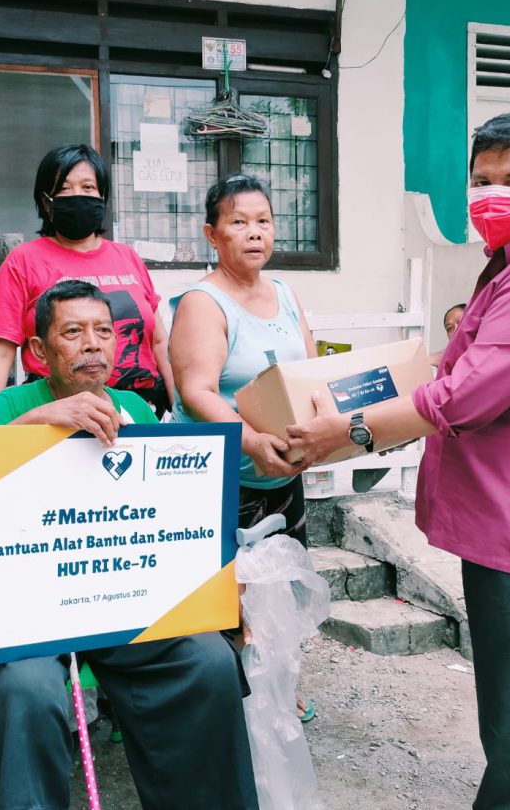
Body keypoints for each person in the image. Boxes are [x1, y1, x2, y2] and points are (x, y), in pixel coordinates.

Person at [287, 110, 510, 810]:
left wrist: (345, 435)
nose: (492, 194)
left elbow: (460, 396)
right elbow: (463, 362)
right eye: (481, 180)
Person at [0, 280, 259, 810]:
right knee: (26, 691)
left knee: (208, 662)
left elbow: (174, 514)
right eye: (74, 332)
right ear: (39, 351)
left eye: (103, 331)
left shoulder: (136, 409)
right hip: (29, 607)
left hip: (123, 597)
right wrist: (36, 423)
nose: (93, 344)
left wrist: (219, 592)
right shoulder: (13, 404)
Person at [168, 174, 318, 721]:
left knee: (282, 586)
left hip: (284, 472)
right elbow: (196, 391)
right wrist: (251, 440)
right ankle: (232, 699)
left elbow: (308, 373)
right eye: (238, 222)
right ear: (213, 234)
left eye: (263, 221)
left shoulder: (283, 293)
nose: (254, 233)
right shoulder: (203, 303)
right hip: (226, 476)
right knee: (229, 596)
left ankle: (279, 680)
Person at [0, 144, 173, 417]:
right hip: (57, 413)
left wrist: (180, 413)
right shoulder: (23, 261)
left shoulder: (128, 257)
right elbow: (0, 353)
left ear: (102, 196)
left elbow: (159, 343)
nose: (77, 196)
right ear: (46, 201)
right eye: (64, 189)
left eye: (88, 187)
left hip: (136, 411)